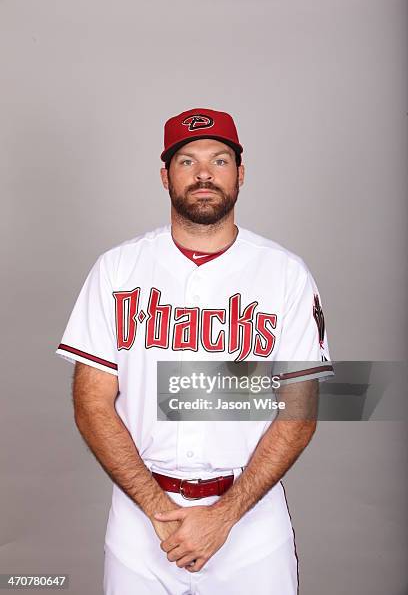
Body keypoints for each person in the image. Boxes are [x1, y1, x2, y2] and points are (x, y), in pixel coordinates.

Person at [56, 107, 334, 594]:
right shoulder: (117, 269)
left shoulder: (285, 273)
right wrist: (154, 509)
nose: (204, 173)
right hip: (141, 519)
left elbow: (300, 409)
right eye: (187, 160)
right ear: (165, 175)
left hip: (250, 519)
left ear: (240, 174)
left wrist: (224, 516)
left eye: (220, 160)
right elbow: (91, 402)